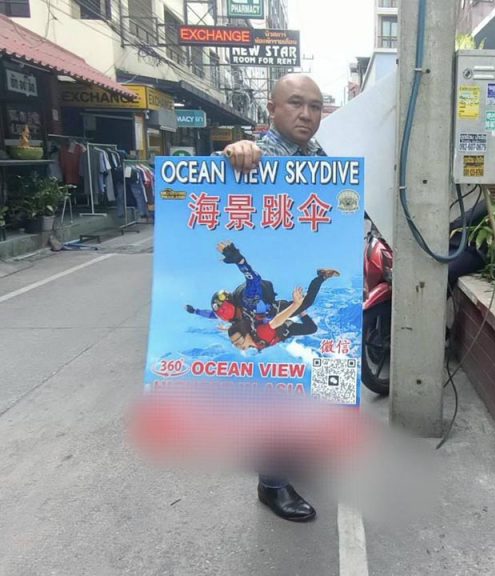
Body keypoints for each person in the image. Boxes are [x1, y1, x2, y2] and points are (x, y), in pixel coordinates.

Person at [222, 73, 327, 523]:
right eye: (296, 103)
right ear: (271, 109)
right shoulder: (254, 157)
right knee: (270, 389)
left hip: (291, 281)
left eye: (315, 106)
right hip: (265, 294)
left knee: (299, 378)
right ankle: (272, 483)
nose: (306, 114)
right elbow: (214, 178)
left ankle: (292, 453)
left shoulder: (318, 158)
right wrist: (236, 152)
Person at [228, 268, 339, 352]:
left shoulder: (261, 333)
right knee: (311, 328)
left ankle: (322, 276)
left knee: (307, 302)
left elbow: (276, 321)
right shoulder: (252, 341)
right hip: (283, 331)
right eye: (234, 343)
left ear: (246, 334)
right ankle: (300, 312)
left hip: (278, 312)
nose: (237, 345)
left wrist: (295, 305)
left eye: (238, 341)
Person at [186, 241, 276, 323]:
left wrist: (240, 261)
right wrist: (195, 311)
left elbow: (253, 279)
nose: (236, 320)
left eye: (235, 319)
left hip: (267, 300)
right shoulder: (235, 307)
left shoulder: (248, 298)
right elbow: (212, 315)